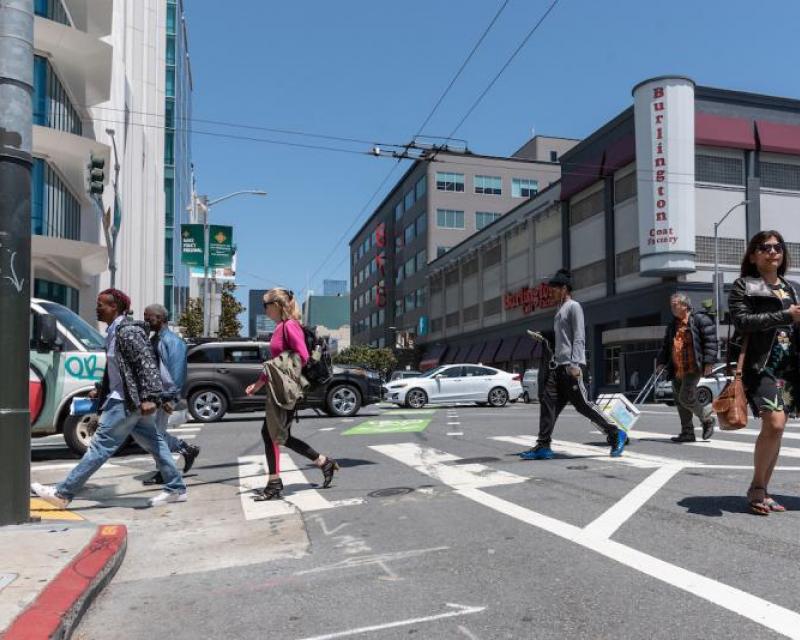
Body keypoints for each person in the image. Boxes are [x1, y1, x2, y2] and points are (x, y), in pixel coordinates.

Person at [32, 289, 187, 508]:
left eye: (101, 304)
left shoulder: (127, 331)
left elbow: (146, 364)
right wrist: (100, 389)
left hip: (125, 401)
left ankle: (63, 492)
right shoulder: (114, 331)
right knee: (155, 442)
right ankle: (176, 488)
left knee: (100, 447)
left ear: (115, 307)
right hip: (125, 398)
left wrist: (151, 397)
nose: (97, 308)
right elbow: (119, 369)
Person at [728, 230, 800, 515]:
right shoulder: (743, 286)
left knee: (776, 429)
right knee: (776, 423)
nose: (773, 251)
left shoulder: (791, 287)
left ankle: (764, 488)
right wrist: (785, 315)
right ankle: (757, 487)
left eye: (777, 247)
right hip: (762, 365)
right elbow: (743, 321)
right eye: (765, 247)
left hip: (790, 366)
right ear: (753, 255)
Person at [520, 269, 627, 460]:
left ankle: (615, 433)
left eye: (554, 289)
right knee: (548, 403)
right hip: (558, 368)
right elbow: (563, 340)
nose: (551, 292)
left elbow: (579, 336)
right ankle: (543, 446)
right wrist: (545, 336)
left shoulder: (573, 307)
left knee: (583, 405)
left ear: (564, 289)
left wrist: (575, 363)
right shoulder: (559, 310)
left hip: (572, 367)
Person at [245, 288, 339, 500]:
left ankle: (274, 484)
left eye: (266, 305)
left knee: (272, 436)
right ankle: (324, 462)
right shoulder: (281, 327)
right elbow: (279, 364)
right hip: (279, 390)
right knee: (277, 436)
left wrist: (272, 376)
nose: (264, 310)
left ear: (277, 306)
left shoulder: (289, 326)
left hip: (288, 391)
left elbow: (303, 357)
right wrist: (259, 384)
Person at [140, 304, 200, 486]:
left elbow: (177, 372)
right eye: (145, 317)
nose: (146, 321)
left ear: (161, 319)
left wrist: (171, 398)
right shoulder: (154, 340)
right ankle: (185, 449)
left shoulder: (172, 342)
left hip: (164, 396)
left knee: (155, 435)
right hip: (155, 395)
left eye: (149, 317)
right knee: (153, 434)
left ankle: (165, 471)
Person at [656, 293, 718, 442]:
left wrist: (709, 361)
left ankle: (707, 419)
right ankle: (687, 432)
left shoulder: (699, 319)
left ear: (685, 305)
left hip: (693, 366)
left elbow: (710, 341)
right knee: (679, 400)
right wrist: (661, 362)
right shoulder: (673, 324)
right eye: (671, 304)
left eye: (675, 304)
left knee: (685, 397)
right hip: (677, 368)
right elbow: (666, 346)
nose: (672, 307)